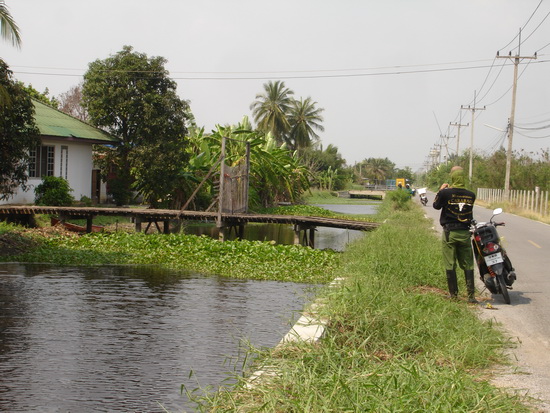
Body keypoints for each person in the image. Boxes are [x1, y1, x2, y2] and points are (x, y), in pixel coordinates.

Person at [433, 166, 477, 303]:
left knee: (450, 263)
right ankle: (471, 297)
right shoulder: (471, 195)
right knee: (468, 264)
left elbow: (436, 206)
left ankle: (454, 296)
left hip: (449, 233)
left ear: (452, 177)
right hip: (464, 233)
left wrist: (441, 190)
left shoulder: (445, 193)